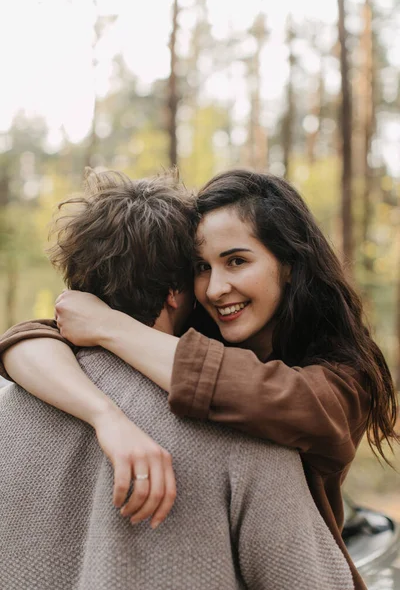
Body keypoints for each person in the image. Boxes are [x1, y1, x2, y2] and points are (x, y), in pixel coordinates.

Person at [1, 169, 398, 590]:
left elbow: (272, 396)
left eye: (237, 261)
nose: (214, 289)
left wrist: (111, 326)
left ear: (290, 265)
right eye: (200, 268)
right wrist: (106, 417)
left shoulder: (341, 380)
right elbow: (28, 337)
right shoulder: (239, 427)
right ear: (179, 287)